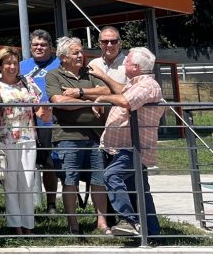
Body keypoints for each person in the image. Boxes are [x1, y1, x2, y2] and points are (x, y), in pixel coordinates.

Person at [94, 47, 164, 238]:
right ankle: (152, 232)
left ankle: (129, 220)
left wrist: (102, 98)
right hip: (126, 146)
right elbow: (121, 92)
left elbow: (125, 100)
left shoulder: (147, 85)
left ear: (136, 66)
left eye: (127, 61)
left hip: (134, 147)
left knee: (111, 176)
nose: (123, 63)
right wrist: (102, 80)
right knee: (140, 190)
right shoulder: (137, 83)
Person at [45, 36, 112, 236]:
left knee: (99, 180)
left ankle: (102, 222)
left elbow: (107, 90)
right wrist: (91, 100)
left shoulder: (89, 72)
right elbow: (60, 102)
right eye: (76, 52)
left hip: (95, 136)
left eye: (81, 51)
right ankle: (73, 225)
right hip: (67, 137)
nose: (81, 55)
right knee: (70, 180)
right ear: (63, 57)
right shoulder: (53, 76)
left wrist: (80, 92)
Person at [0, 47, 50, 235]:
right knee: (11, 183)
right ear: (0, 65)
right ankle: (15, 226)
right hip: (5, 139)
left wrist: (47, 111)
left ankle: (29, 226)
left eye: (15, 63)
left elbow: (40, 109)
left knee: (27, 182)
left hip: (28, 137)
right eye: (7, 63)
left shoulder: (28, 82)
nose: (11, 66)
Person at [18, 29, 61, 216]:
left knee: (50, 165)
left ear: (51, 48)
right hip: (26, 123)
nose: (39, 48)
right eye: (35, 45)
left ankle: (51, 204)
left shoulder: (59, 64)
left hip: (51, 122)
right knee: (25, 165)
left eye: (43, 45)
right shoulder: (21, 66)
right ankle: (24, 206)